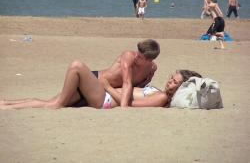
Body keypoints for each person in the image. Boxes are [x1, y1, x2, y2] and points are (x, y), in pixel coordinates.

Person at [0, 39, 160, 109]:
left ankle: (6, 103)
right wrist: (124, 107)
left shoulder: (151, 69)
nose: (136, 55)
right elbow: (126, 82)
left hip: (102, 92)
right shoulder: (128, 56)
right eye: (137, 52)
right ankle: (6, 105)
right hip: (93, 81)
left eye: (140, 56)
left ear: (149, 60)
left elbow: (135, 87)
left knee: (49, 102)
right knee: (53, 103)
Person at [0, 70, 202, 109]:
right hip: (103, 94)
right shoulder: (158, 91)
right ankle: (7, 103)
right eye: (171, 78)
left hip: (105, 100)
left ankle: (7, 105)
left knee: (77, 66)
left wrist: (106, 86)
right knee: (47, 101)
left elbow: (130, 104)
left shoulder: (160, 99)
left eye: (174, 82)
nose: (169, 82)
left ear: (181, 87)